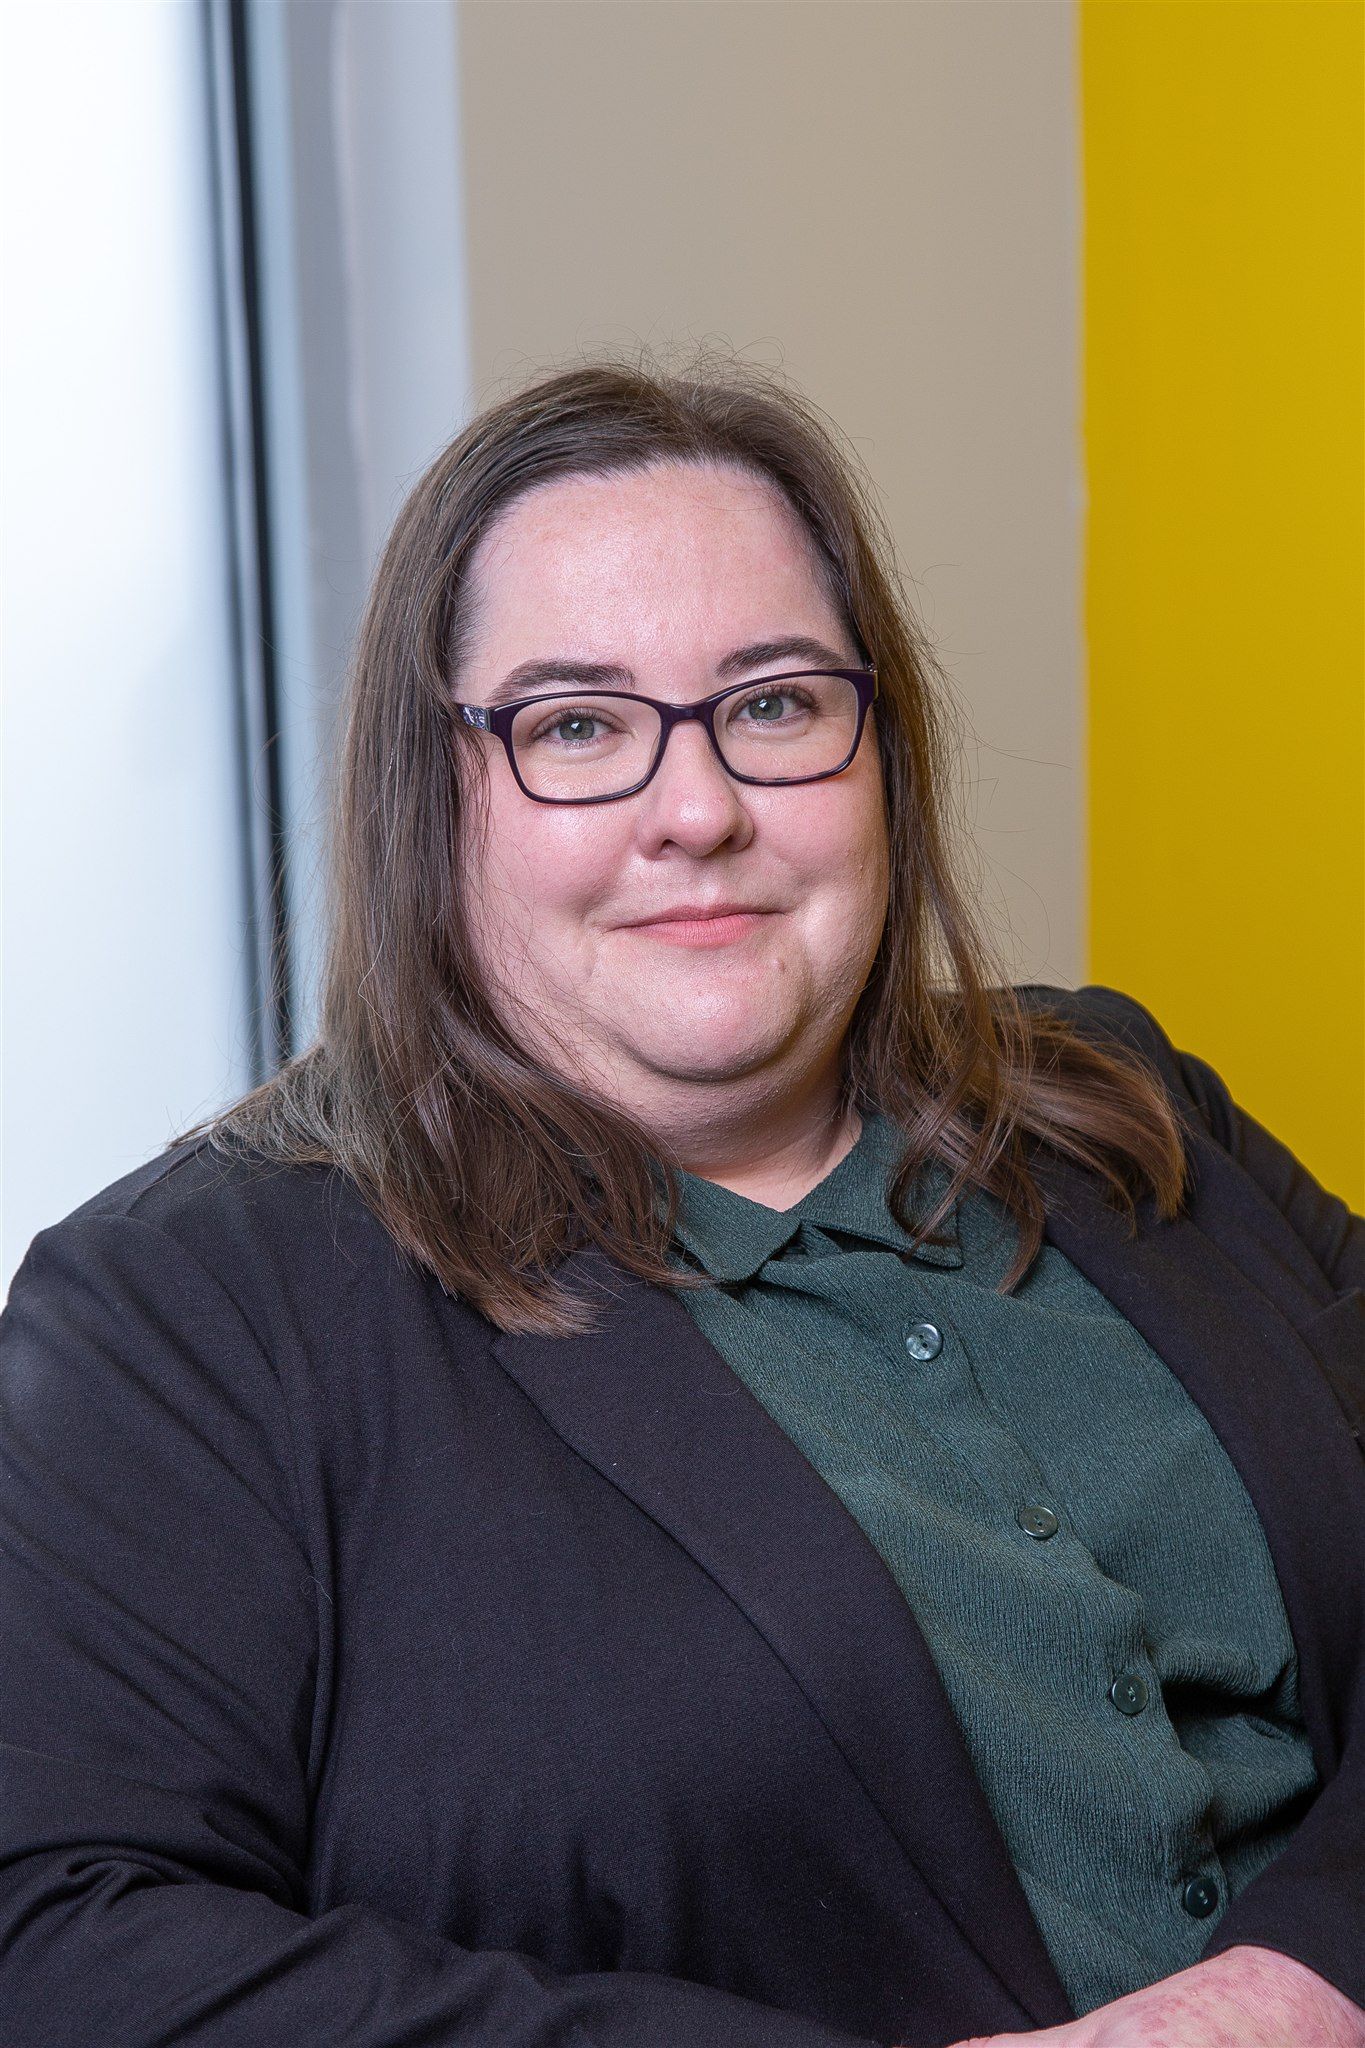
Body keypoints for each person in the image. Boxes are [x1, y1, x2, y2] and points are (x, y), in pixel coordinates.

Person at [1, 357, 1362, 2048]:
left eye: (775, 703)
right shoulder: (190, 1316)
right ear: (435, 797)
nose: (698, 810)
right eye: (576, 726)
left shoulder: (1126, 1106)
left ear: (881, 746)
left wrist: (1293, 1987)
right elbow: (64, 1949)